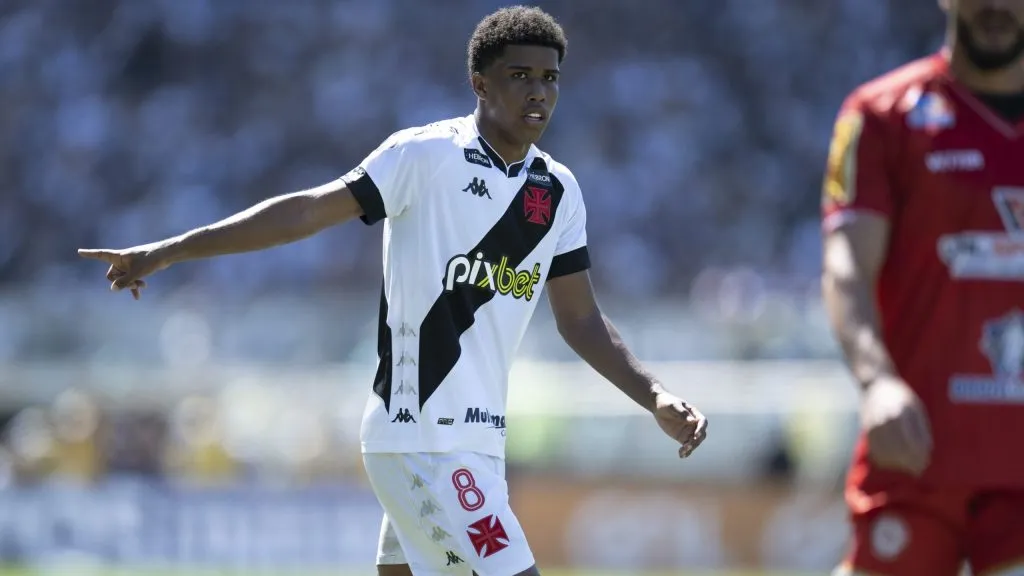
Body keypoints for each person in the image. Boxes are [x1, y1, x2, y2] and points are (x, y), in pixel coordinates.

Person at [78, 6, 708, 576]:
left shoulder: (558, 192)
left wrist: (653, 395)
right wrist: (168, 250)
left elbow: (581, 320)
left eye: (550, 78)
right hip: (424, 439)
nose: (538, 91)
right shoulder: (424, 156)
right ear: (480, 83)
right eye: (520, 75)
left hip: (475, 446)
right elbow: (305, 212)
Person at [822, 0, 1024, 574]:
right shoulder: (879, 114)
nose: (997, 6)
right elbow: (846, 266)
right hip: (914, 457)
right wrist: (876, 380)